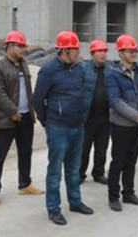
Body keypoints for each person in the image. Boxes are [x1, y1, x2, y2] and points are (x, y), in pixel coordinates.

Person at [33, 31, 93, 226]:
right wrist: (47, 121)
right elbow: (37, 99)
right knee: (55, 171)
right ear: (65, 50)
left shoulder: (79, 69)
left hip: (77, 126)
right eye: (76, 49)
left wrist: (82, 117)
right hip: (57, 128)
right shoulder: (49, 70)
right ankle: (53, 209)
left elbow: (82, 94)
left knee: (74, 169)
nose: (78, 52)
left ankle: (75, 202)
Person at [0, 31, 44, 209]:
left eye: (24, 46)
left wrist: (32, 111)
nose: (23, 50)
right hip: (6, 119)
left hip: (25, 117)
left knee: (25, 152)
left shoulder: (23, 64)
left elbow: (28, 90)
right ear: (10, 46)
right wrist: (12, 112)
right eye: (20, 46)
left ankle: (25, 184)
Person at [106, 34, 138, 212]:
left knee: (131, 161)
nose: (133, 54)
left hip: (137, 124)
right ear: (120, 53)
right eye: (129, 51)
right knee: (118, 161)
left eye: (134, 51)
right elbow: (115, 101)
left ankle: (128, 193)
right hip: (121, 125)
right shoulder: (112, 74)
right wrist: (135, 115)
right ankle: (113, 196)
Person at [79, 39, 111, 185]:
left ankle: (98, 173)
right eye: (100, 51)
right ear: (92, 53)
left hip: (105, 117)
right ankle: (80, 174)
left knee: (102, 148)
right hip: (88, 117)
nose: (103, 54)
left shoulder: (110, 70)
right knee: (84, 148)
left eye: (105, 51)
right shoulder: (84, 69)